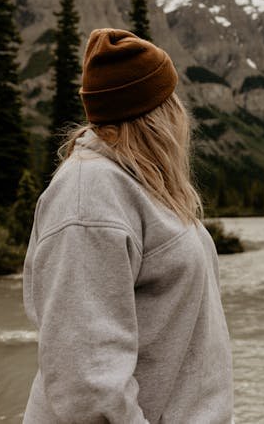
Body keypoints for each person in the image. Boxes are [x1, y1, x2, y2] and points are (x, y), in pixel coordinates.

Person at [22, 28, 235, 423]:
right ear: (157, 114)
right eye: (171, 100)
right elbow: (86, 380)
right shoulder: (90, 197)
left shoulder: (142, 187)